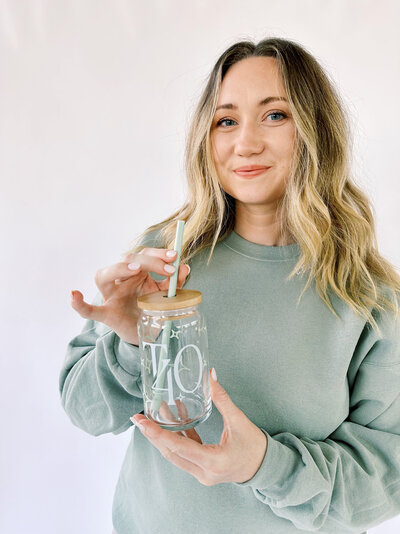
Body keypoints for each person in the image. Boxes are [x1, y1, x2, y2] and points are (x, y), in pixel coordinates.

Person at [59, 37, 400, 534]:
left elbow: (384, 479)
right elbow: (84, 412)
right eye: (226, 120)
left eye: (275, 115)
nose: (245, 143)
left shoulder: (367, 298)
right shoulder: (165, 259)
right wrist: (134, 341)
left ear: (315, 130)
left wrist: (262, 464)